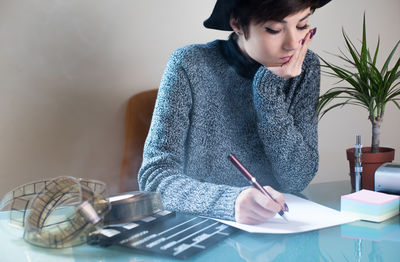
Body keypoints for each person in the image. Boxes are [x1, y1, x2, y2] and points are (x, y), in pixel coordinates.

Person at [138, 0, 331, 224]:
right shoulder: (189, 65)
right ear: (237, 24)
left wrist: (268, 90)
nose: (292, 45)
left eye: (302, 26)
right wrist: (230, 202)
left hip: (277, 225)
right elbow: (154, 178)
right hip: (200, 225)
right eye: (274, 30)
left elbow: (297, 178)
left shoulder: (304, 67)